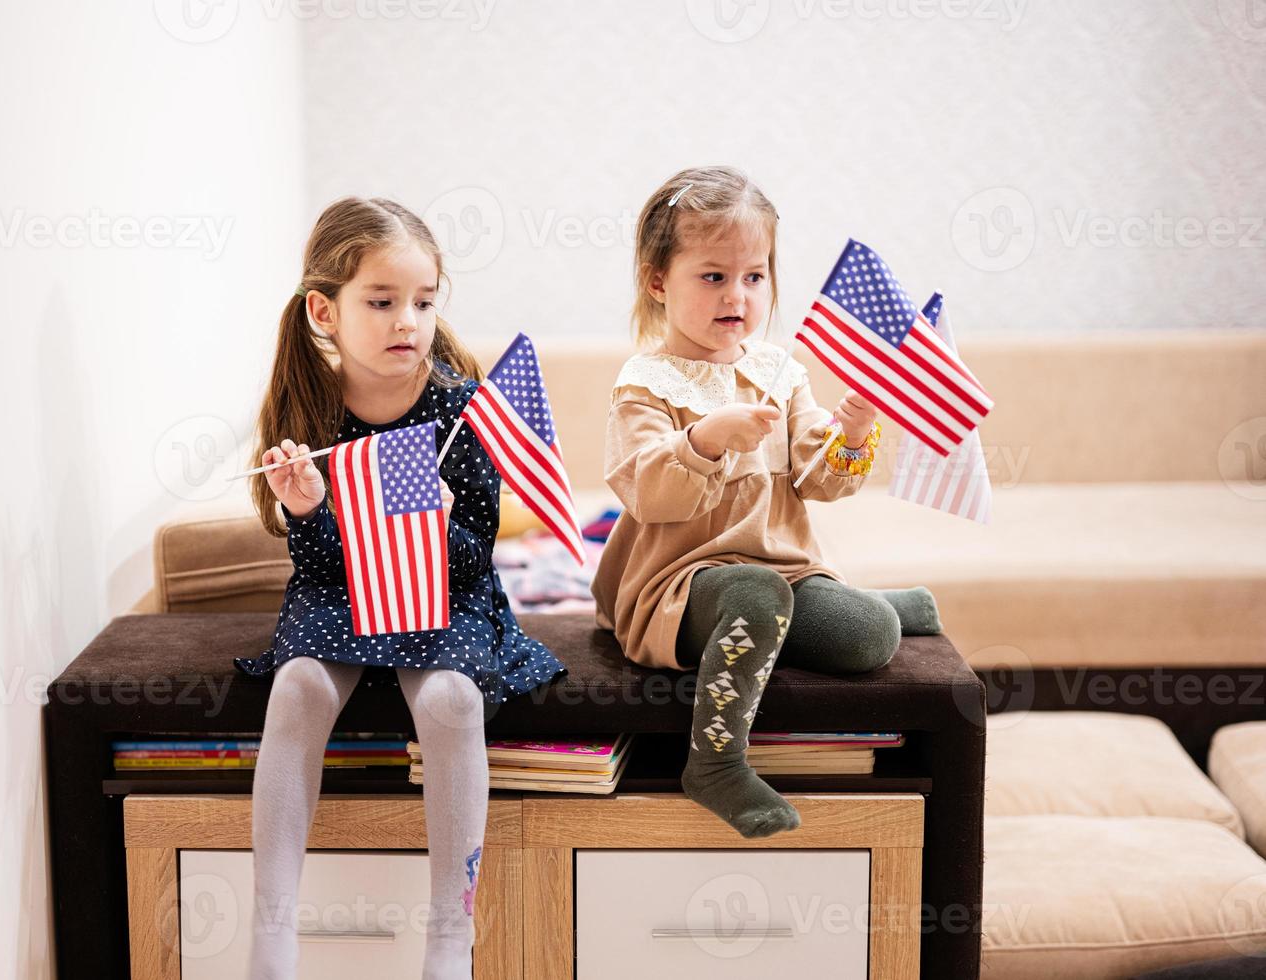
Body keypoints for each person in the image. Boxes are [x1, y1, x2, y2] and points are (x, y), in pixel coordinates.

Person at [235, 196, 567, 979]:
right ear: (326, 310)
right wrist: (309, 509)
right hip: (340, 592)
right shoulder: (306, 407)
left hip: (443, 592)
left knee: (452, 701)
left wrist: (441, 525)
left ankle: (451, 936)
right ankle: (270, 936)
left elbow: (472, 561)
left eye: (422, 302)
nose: (406, 322)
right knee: (298, 689)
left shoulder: (460, 407)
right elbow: (316, 571)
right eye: (381, 303)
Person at [591, 166, 941, 839]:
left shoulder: (779, 372)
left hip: (780, 572)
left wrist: (853, 432)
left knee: (870, 637)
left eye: (754, 276)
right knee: (754, 597)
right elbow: (647, 489)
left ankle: (880, 604)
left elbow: (820, 480)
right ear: (658, 281)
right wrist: (703, 439)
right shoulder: (646, 384)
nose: (738, 295)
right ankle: (716, 764)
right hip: (681, 584)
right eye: (713, 276)